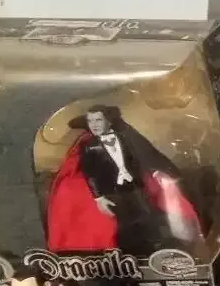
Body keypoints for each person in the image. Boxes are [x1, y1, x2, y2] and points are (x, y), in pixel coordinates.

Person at [47, 104, 205, 256]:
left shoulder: (125, 138)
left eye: (98, 120)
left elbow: (143, 156)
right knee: (121, 224)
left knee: (145, 217)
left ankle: (152, 246)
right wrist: (98, 197)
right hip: (111, 191)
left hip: (134, 187)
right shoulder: (88, 145)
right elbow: (90, 172)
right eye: (90, 121)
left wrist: (155, 173)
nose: (94, 125)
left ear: (109, 121)